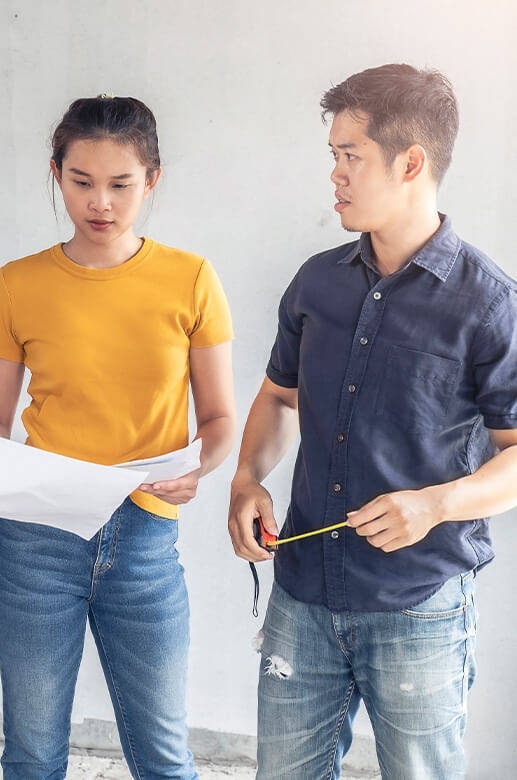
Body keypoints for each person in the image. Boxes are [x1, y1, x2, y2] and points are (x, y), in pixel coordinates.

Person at [228, 64, 517, 779]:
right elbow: (276, 396)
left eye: (349, 155)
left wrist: (433, 505)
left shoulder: (489, 305)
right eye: (333, 155)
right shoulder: (315, 282)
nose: (334, 174)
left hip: (418, 604)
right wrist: (244, 479)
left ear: (410, 162)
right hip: (301, 592)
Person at [0, 95, 237, 780]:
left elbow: (218, 420)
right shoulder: (17, 283)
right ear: (55, 173)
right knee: (31, 754)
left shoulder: (190, 279)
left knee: (165, 757)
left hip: (145, 538)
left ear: (152, 180)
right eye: (81, 181)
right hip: (35, 537)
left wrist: (197, 469)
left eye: (121, 184)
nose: (100, 203)